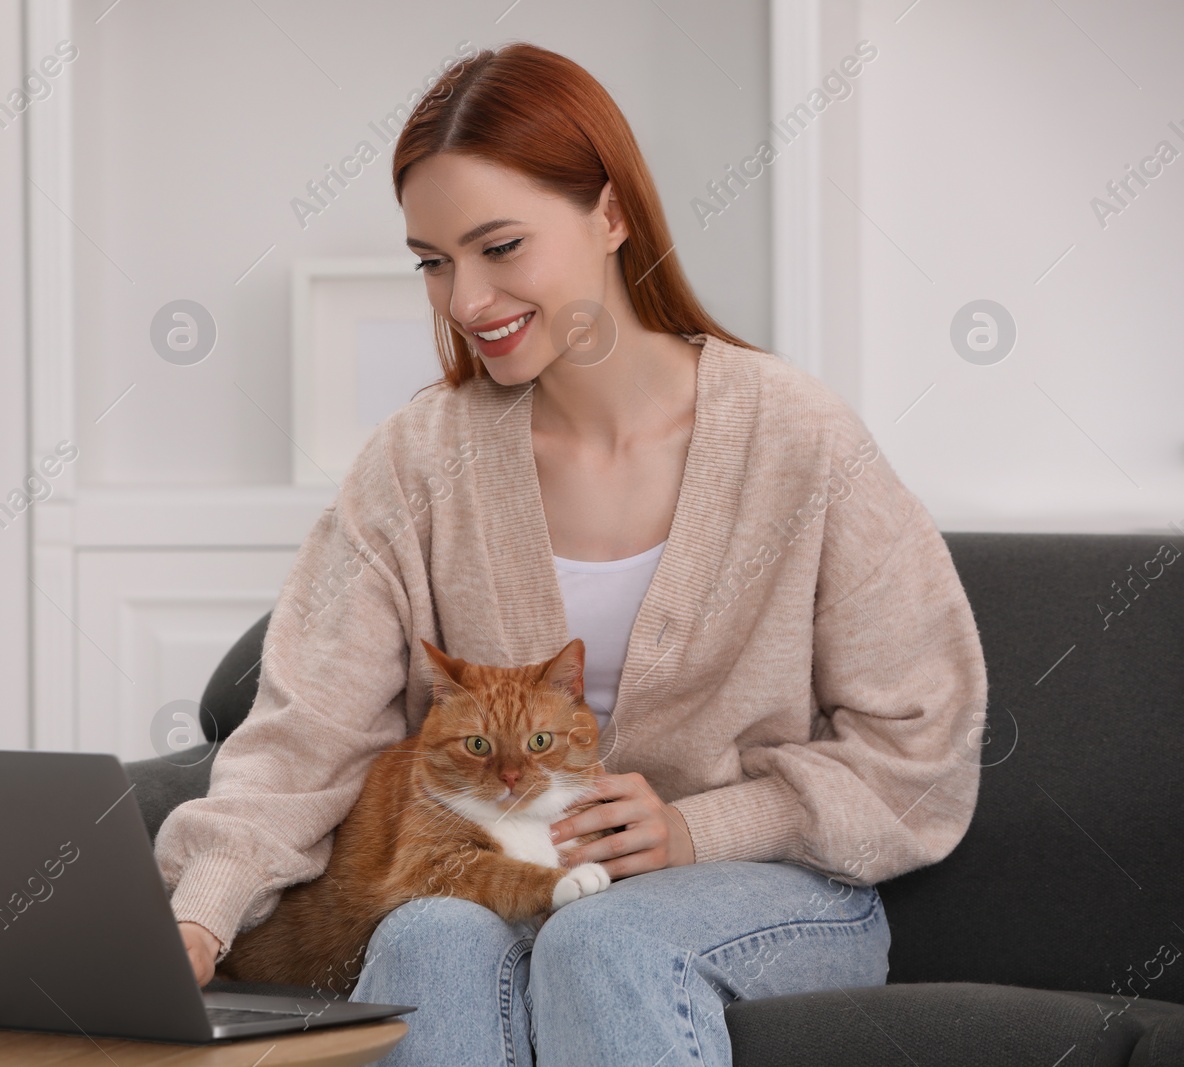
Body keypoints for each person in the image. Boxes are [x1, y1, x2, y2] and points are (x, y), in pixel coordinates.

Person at [154, 41, 987, 1066]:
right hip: (497, 873)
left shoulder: (798, 438)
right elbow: (302, 735)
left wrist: (698, 828)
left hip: (766, 891)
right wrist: (198, 915)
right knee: (423, 933)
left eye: (500, 246)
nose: (463, 300)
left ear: (610, 212)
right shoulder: (417, 460)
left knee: (603, 937)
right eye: (432, 260)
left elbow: (919, 758)